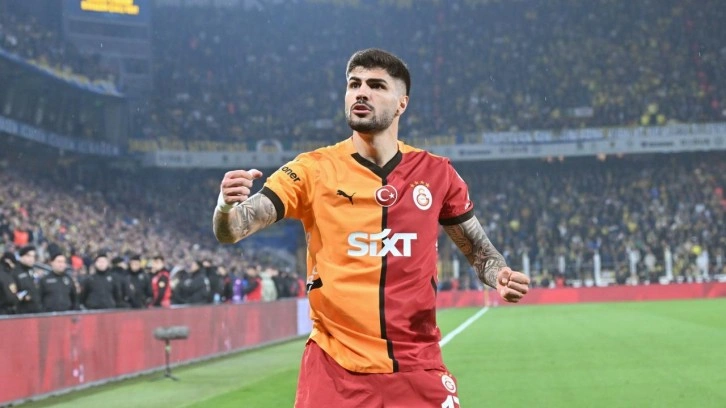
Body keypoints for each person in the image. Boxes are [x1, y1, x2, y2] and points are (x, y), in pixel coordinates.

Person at [212, 48, 530, 407]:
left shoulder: (437, 173)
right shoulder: (311, 170)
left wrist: (499, 274)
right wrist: (226, 204)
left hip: (417, 366)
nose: (361, 92)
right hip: (334, 370)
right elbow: (232, 229)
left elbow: (480, 253)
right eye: (354, 84)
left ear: (402, 103)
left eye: (376, 85)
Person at [13, 245, 42, 314]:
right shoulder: (15, 272)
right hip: (22, 312)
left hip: (36, 310)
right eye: (28, 256)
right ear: (21, 256)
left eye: (33, 256)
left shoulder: (32, 271)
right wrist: (25, 296)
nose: (31, 259)